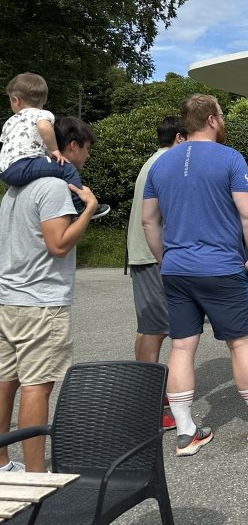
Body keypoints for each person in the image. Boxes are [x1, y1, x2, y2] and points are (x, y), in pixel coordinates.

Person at [142, 94, 248, 457]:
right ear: (210, 119)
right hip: (222, 266)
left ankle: (187, 431)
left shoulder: (160, 164)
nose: (223, 121)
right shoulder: (230, 158)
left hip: (176, 268)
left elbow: (149, 220)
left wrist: (164, 259)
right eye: (221, 115)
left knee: (181, 346)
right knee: (240, 343)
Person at [0, 117, 99, 472]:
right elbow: (57, 245)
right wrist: (88, 209)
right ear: (72, 146)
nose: (87, 156)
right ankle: (35, 475)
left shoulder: (14, 189)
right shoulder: (55, 186)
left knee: (6, 383)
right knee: (36, 387)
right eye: (87, 149)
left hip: (8, 298)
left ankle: (2, 466)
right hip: (40, 302)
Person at [126, 115, 186, 432]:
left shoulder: (153, 161)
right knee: (155, 329)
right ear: (179, 138)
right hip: (154, 256)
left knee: (148, 327)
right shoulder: (167, 164)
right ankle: (148, 404)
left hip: (144, 254)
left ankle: (148, 393)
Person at [0, 73, 109, 219]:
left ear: (15, 100)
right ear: (44, 99)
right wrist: (54, 150)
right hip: (24, 163)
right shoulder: (42, 114)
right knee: (67, 168)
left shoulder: (10, 122)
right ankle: (79, 206)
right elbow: (44, 127)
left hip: (5, 170)